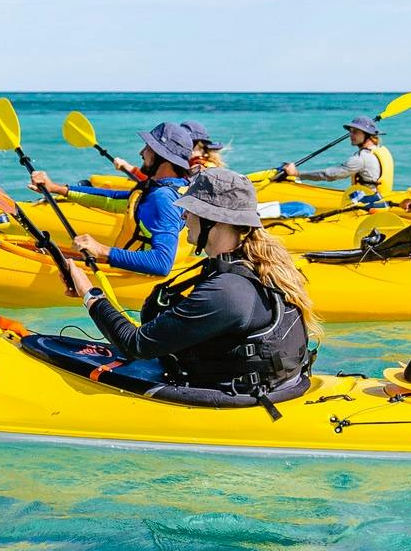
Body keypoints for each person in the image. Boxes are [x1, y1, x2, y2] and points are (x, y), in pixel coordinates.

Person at [65, 168, 320, 394]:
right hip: (279, 386)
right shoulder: (254, 266)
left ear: (214, 221)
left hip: (245, 399)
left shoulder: (227, 290)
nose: (184, 217)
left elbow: (136, 345)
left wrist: (89, 292)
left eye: (191, 210)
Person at [32, 121, 194, 277]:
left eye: (149, 148)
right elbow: (112, 199)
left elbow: (162, 263)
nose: (141, 153)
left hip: (136, 277)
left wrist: (102, 250)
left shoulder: (163, 198)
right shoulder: (173, 187)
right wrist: (56, 188)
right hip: (138, 269)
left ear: (163, 157)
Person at [276, 115, 394, 202]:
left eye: (355, 132)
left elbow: (329, 175)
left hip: (368, 204)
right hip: (381, 199)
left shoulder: (361, 158)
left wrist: (297, 174)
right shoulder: (380, 149)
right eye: (351, 132)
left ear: (367, 135)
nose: (351, 135)